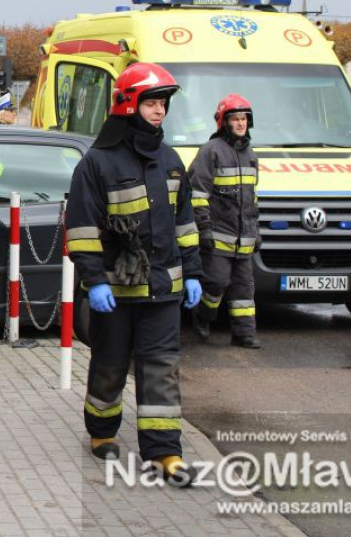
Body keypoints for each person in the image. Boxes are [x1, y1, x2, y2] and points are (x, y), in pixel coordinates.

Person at [66, 62, 202, 482]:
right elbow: (82, 228)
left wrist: (193, 272)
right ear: (129, 105)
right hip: (116, 291)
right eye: (152, 103)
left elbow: (185, 223)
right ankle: (102, 432)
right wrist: (95, 279)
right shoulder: (97, 163)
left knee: (162, 368)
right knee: (109, 364)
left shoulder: (171, 160)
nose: (159, 111)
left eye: (163, 103)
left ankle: (164, 452)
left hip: (163, 289)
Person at [188, 94, 261, 348]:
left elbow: (252, 198)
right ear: (223, 122)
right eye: (236, 119)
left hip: (244, 237)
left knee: (244, 290)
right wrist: (204, 229)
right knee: (216, 282)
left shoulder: (250, 154)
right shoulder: (211, 151)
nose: (241, 124)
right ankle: (204, 315)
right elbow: (197, 194)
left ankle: (244, 335)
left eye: (244, 119)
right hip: (218, 235)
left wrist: (257, 231)